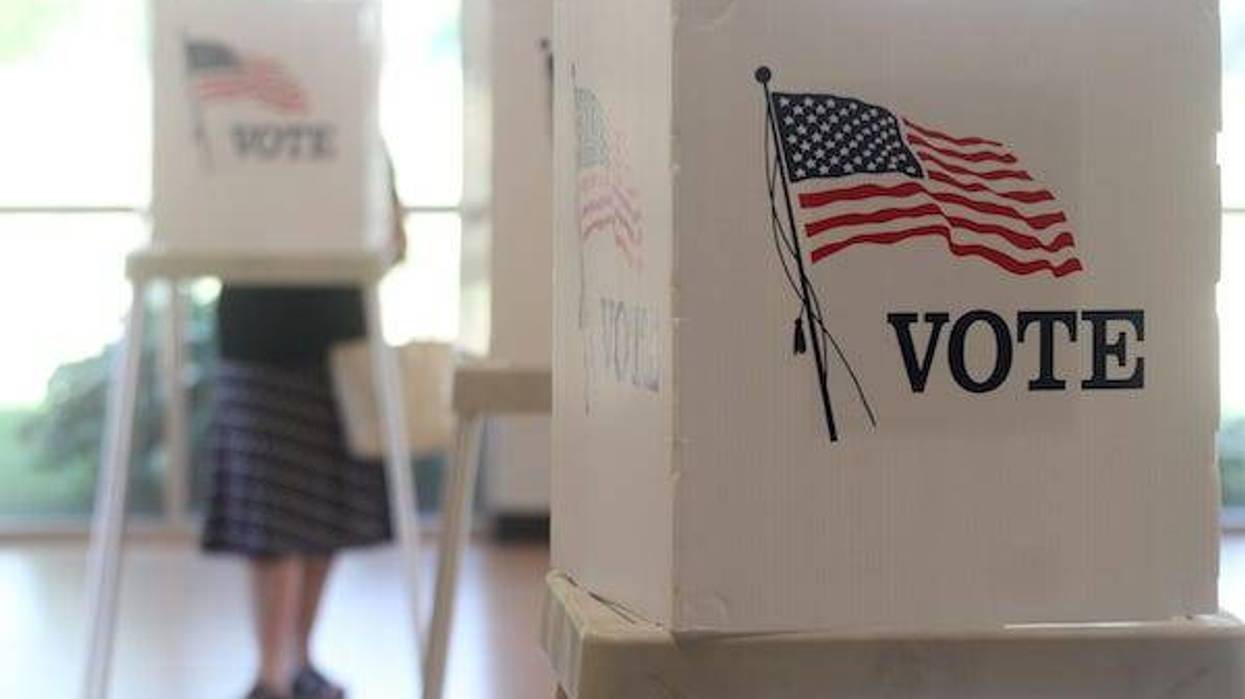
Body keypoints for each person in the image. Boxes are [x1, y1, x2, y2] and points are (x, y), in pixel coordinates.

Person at [202, 171, 406, 699]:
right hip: (269, 343)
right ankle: (276, 672)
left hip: (322, 342)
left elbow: (395, 239)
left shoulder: (349, 128)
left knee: (317, 518)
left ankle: (291, 665)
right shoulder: (254, 136)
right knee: (282, 522)